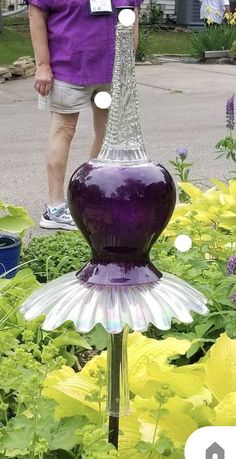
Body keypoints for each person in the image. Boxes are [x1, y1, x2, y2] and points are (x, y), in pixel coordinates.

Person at [27, 0, 141, 230]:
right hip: (67, 68)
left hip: (111, 71)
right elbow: (35, 15)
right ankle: (56, 208)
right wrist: (42, 65)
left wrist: (128, 63)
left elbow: (133, 16)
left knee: (109, 133)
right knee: (64, 130)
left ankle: (94, 194)